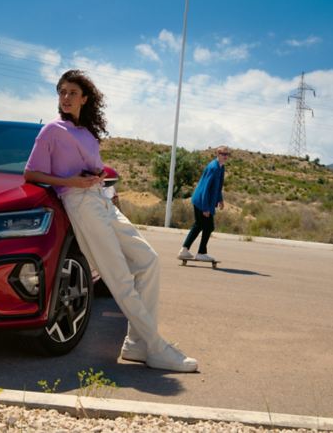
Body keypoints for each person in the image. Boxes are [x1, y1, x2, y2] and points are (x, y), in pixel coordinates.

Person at [24, 69, 198, 373]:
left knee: (149, 260)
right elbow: (31, 174)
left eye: (72, 93)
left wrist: (98, 175)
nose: (65, 98)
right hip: (79, 204)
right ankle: (157, 348)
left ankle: (135, 344)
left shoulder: (88, 134)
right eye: (62, 92)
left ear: (85, 98)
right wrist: (71, 182)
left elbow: (92, 169)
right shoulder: (52, 130)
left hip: (101, 200)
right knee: (119, 278)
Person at [178, 146, 229, 263]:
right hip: (202, 201)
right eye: (223, 154)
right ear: (218, 154)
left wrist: (220, 199)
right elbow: (206, 188)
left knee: (199, 225)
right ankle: (201, 253)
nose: (226, 156)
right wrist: (205, 208)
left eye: (227, 154)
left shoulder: (221, 168)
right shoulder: (213, 168)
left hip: (204, 201)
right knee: (208, 226)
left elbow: (218, 186)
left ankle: (185, 250)